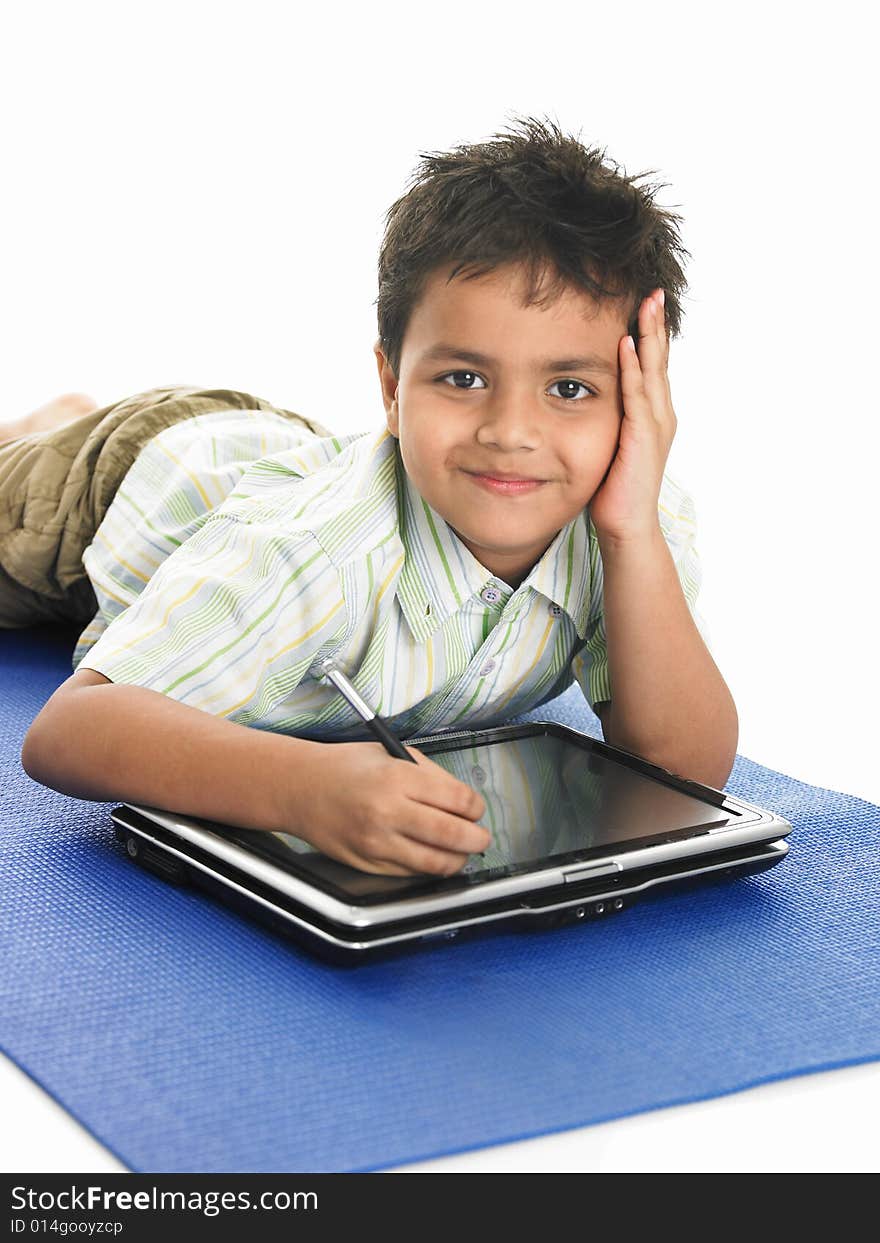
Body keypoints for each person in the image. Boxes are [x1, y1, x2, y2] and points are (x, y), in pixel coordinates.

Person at [13, 114, 738, 878]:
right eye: (464, 378)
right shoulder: (315, 553)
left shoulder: (635, 523)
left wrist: (630, 536)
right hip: (122, 480)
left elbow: (683, 772)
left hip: (292, 455)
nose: (511, 431)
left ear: (638, 401)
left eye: (569, 388)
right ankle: (51, 427)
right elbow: (69, 730)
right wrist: (302, 788)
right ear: (392, 387)